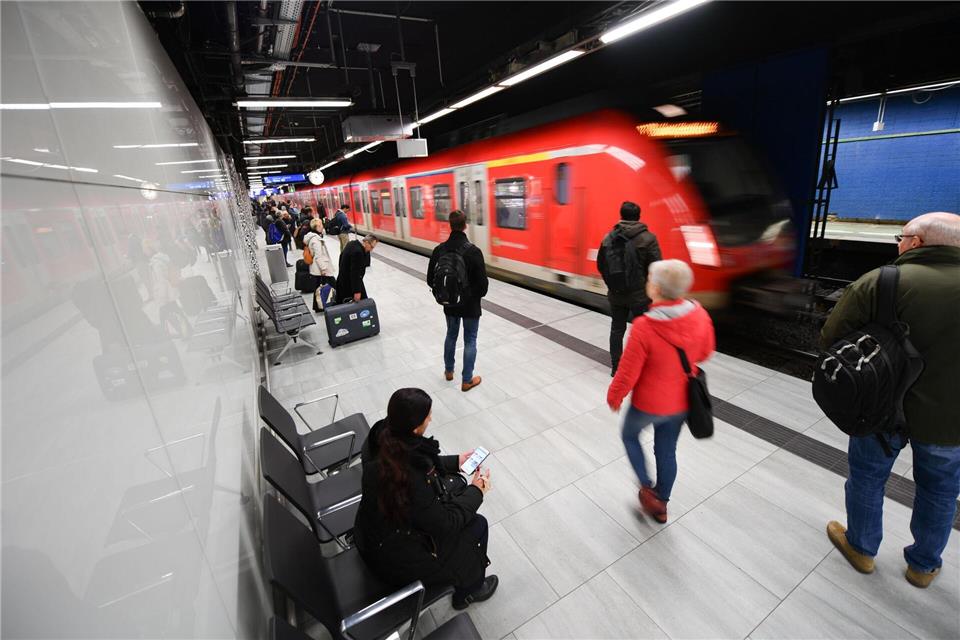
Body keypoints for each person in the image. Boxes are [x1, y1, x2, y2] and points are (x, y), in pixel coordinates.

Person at [820, 211, 960, 589]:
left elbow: (831, 338)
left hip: (881, 410)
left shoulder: (884, 281)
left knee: (867, 477)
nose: (898, 244)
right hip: (951, 422)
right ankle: (923, 566)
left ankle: (861, 548)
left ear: (916, 242)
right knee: (941, 491)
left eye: (901, 238)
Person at [353, 388, 498, 610]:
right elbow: (445, 524)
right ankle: (469, 591)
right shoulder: (410, 481)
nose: (430, 419)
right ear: (415, 427)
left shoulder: (384, 435)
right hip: (397, 557)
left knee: (456, 484)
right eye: (428, 416)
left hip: (372, 532)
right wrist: (477, 490)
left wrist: (455, 461)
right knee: (478, 525)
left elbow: (416, 461)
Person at [607, 259, 715, 523]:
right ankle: (661, 503)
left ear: (655, 288)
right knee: (666, 451)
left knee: (629, 435)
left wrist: (615, 395)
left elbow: (628, 371)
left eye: (649, 280)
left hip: (648, 403)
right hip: (681, 402)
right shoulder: (700, 314)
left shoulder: (644, 326)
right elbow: (705, 352)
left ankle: (647, 489)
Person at [597, 201, 662, 376]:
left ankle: (616, 367)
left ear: (621, 215)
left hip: (616, 294)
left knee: (617, 329)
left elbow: (601, 265)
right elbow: (657, 268)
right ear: (639, 217)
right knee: (642, 332)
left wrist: (612, 285)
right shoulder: (649, 238)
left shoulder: (608, 237)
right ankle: (640, 367)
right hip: (640, 296)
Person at [427, 210, 489, 392]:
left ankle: (448, 371)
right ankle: (467, 380)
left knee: (451, 335)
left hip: (450, 304)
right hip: (470, 306)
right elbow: (483, 287)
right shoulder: (474, 251)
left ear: (450, 225)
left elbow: (430, 279)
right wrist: (470, 295)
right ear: (465, 226)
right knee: (470, 340)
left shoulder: (439, 250)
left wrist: (448, 293)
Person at [303, 219, 337, 312]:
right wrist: (323, 269)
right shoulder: (316, 239)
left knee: (318, 288)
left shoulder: (313, 237)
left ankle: (318, 307)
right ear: (316, 227)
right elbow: (318, 256)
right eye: (321, 225)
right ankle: (333, 303)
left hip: (316, 268)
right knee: (332, 285)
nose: (322, 226)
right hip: (320, 268)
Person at [335, 234, 378, 303]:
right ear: (366, 242)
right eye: (371, 247)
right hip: (350, 285)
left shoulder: (351, 243)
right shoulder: (358, 252)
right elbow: (355, 274)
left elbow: (341, 258)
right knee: (363, 304)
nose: (371, 250)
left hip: (342, 281)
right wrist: (357, 291)